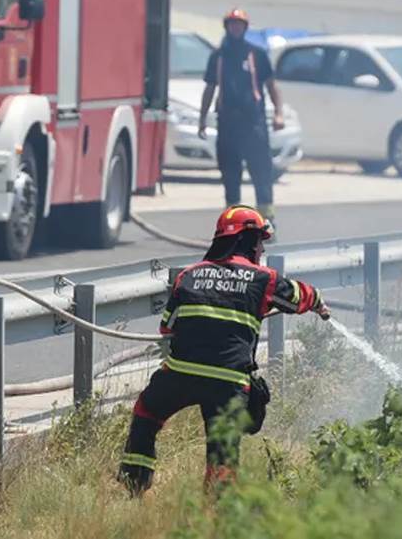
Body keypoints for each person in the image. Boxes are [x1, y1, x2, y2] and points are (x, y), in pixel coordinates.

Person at [117, 205, 330, 495]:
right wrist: (317, 301)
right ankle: (216, 512)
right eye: (259, 243)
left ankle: (134, 484)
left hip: (180, 374)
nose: (261, 251)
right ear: (247, 240)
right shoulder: (263, 279)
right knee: (222, 453)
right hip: (228, 383)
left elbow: (167, 329)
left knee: (146, 412)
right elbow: (298, 295)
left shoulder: (188, 276)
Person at [198, 9, 285, 227]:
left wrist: (279, 113)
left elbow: (272, 86)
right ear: (226, 26)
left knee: (261, 172)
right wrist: (202, 119)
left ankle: (267, 221)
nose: (236, 28)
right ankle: (233, 225)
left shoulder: (257, 54)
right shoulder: (218, 56)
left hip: (253, 124)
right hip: (228, 124)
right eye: (232, 24)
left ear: (245, 28)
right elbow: (209, 88)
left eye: (240, 24)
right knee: (230, 174)